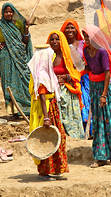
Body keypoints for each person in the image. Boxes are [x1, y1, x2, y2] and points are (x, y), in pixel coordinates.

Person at [82, 25, 111, 168]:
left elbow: (107, 72)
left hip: (104, 87)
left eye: (88, 36)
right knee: (98, 121)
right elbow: (89, 68)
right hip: (94, 87)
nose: (86, 39)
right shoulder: (86, 51)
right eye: (85, 36)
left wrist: (104, 95)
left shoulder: (101, 52)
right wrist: (80, 66)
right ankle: (100, 157)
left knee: (109, 120)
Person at [0, 3, 32, 117]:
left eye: (10, 12)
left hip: (19, 55)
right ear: (3, 13)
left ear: (13, 13)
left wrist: (26, 29)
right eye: (6, 12)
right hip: (5, 55)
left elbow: (25, 40)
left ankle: (25, 109)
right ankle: (13, 111)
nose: (8, 14)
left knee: (22, 79)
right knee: (8, 82)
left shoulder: (19, 23)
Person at [28, 47, 68, 181]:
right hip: (47, 111)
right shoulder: (42, 75)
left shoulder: (47, 73)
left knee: (56, 139)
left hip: (52, 108)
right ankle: (43, 172)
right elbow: (43, 97)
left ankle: (54, 169)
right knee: (47, 140)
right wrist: (46, 117)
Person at [48, 31, 84, 139]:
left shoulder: (69, 55)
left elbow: (78, 71)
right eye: (52, 39)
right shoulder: (49, 56)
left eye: (57, 39)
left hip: (68, 91)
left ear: (61, 40)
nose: (54, 42)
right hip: (54, 91)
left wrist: (65, 77)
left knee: (70, 119)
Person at [60, 19, 91, 130]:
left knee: (87, 102)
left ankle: (89, 128)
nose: (70, 30)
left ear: (76, 30)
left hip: (84, 78)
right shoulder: (61, 46)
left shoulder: (83, 44)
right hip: (70, 79)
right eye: (67, 28)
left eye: (72, 27)